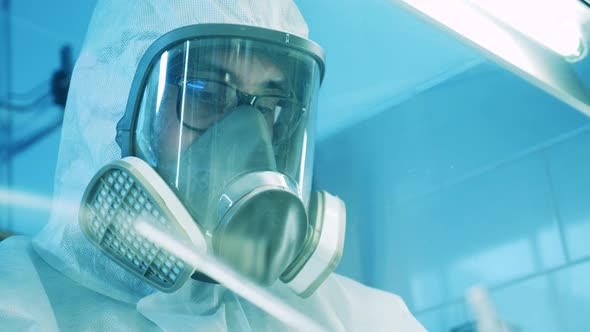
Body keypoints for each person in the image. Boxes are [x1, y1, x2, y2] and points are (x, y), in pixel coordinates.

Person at [0, 1, 426, 331]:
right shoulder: (14, 308)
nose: (251, 139)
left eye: (273, 108)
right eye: (202, 94)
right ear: (108, 106)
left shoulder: (358, 320)